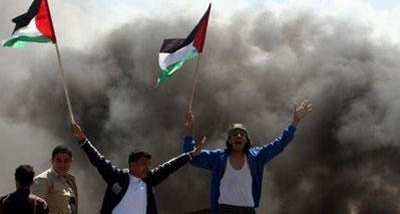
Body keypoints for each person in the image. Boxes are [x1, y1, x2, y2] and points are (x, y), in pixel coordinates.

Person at [183, 100, 312, 214]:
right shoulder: (218, 158)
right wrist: (189, 131)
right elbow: (191, 156)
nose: (238, 136)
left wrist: (295, 122)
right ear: (229, 140)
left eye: (241, 134)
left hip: (247, 210)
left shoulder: (256, 157)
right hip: (224, 210)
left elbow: (279, 144)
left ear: (246, 139)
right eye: (234, 134)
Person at [71, 122, 206, 214]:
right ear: (132, 165)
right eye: (144, 164)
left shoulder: (149, 180)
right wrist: (83, 140)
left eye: (149, 164)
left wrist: (190, 155)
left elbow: (168, 168)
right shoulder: (117, 177)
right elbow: (98, 160)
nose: (147, 167)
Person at [31, 145, 78, 214]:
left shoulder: (70, 180)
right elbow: (34, 209)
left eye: (66, 161)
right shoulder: (43, 180)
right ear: (52, 161)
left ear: (71, 161)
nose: (62, 165)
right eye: (58, 161)